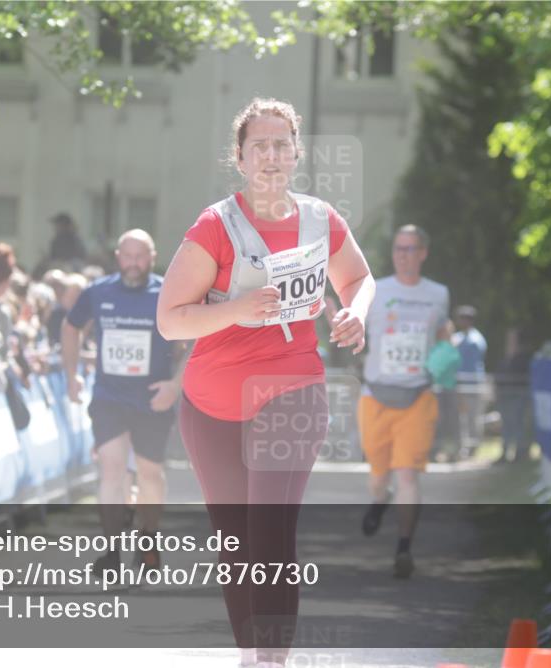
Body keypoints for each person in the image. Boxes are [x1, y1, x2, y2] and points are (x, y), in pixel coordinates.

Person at [156, 97, 374, 668]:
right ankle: (252, 655)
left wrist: (356, 313)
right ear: (240, 157)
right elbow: (170, 319)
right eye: (260, 147)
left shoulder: (321, 220)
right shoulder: (216, 226)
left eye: (282, 145)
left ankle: (273, 660)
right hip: (211, 403)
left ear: (297, 152)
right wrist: (238, 310)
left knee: (271, 532)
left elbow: (358, 278)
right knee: (236, 544)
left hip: (291, 389)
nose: (272, 156)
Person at [62, 229, 187, 575]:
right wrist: (71, 374)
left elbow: (196, 341)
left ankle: (148, 541)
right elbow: (71, 327)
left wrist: (175, 385)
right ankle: (112, 552)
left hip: (152, 398)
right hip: (110, 397)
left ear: (152, 257)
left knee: (149, 474)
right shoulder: (98, 291)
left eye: (140, 257)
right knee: (112, 469)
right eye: (128, 256)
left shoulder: (167, 293)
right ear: (118, 257)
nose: (134, 263)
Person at [358, 224, 449, 579]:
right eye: (398, 248)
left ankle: (404, 548)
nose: (403, 255)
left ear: (423, 253)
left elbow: (442, 330)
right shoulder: (375, 290)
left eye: (410, 248)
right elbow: (355, 325)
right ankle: (379, 500)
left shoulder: (438, 294)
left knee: (407, 474)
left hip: (418, 395)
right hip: (376, 396)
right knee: (379, 475)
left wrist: (446, 354)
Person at [452, 304, 487, 460]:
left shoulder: (475, 340)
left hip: (472, 384)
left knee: (473, 416)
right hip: (459, 383)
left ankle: (473, 447)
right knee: (461, 417)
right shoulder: (458, 337)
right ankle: (462, 446)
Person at [495, 327, 533, 464]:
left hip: (518, 396)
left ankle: (520, 453)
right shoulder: (505, 357)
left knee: (518, 425)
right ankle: (505, 452)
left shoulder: (524, 359)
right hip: (505, 396)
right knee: (506, 425)